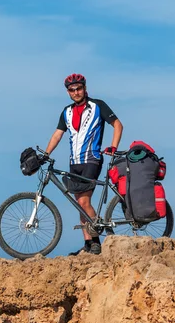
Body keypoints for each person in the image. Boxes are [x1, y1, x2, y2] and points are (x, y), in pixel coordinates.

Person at [44, 73, 123, 255]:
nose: (76, 92)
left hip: (92, 159)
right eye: (72, 90)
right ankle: (88, 244)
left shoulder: (97, 106)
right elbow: (57, 134)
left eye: (79, 88)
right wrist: (46, 154)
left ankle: (96, 241)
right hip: (75, 162)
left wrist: (113, 146)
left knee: (83, 201)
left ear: (85, 88)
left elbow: (118, 125)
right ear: (68, 92)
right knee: (78, 203)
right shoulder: (67, 112)